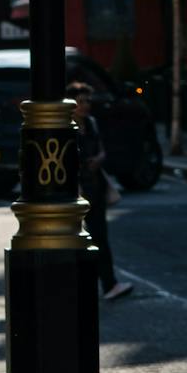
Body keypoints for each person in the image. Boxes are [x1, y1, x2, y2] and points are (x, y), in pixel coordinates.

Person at [70, 80, 131, 303]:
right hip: (77, 190)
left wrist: (99, 158)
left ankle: (109, 284)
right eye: (80, 101)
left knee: (100, 238)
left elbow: (101, 149)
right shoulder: (66, 127)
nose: (85, 105)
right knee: (78, 241)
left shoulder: (92, 123)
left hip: (95, 187)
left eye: (87, 100)